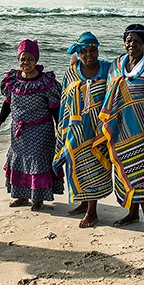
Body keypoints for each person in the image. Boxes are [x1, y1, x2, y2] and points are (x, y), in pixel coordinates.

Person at [98, 24, 144, 239]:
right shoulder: (117, 65)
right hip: (120, 133)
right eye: (128, 40)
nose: (131, 44)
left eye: (136, 41)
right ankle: (132, 214)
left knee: (143, 176)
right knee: (126, 174)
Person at [0, 39, 63, 211]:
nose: (26, 63)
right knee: (19, 162)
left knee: (38, 163)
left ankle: (38, 199)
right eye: (23, 59)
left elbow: (55, 110)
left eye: (30, 59)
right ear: (18, 60)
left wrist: (60, 129)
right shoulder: (12, 81)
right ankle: (22, 196)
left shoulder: (47, 83)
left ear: (36, 60)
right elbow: (7, 104)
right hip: (18, 132)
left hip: (41, 132)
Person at [53, 32, 113, 228]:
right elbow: (64, 99)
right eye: (85, 51)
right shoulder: (71, 72)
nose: (89, 54)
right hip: (76, 129)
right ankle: (83, 203)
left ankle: (92, 212)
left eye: (93, 50)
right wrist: (61, 126)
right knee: (76, 167)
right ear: (78, 53)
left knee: (94, 169)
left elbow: (124, 81)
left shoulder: (107, 69)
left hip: (98, 131)